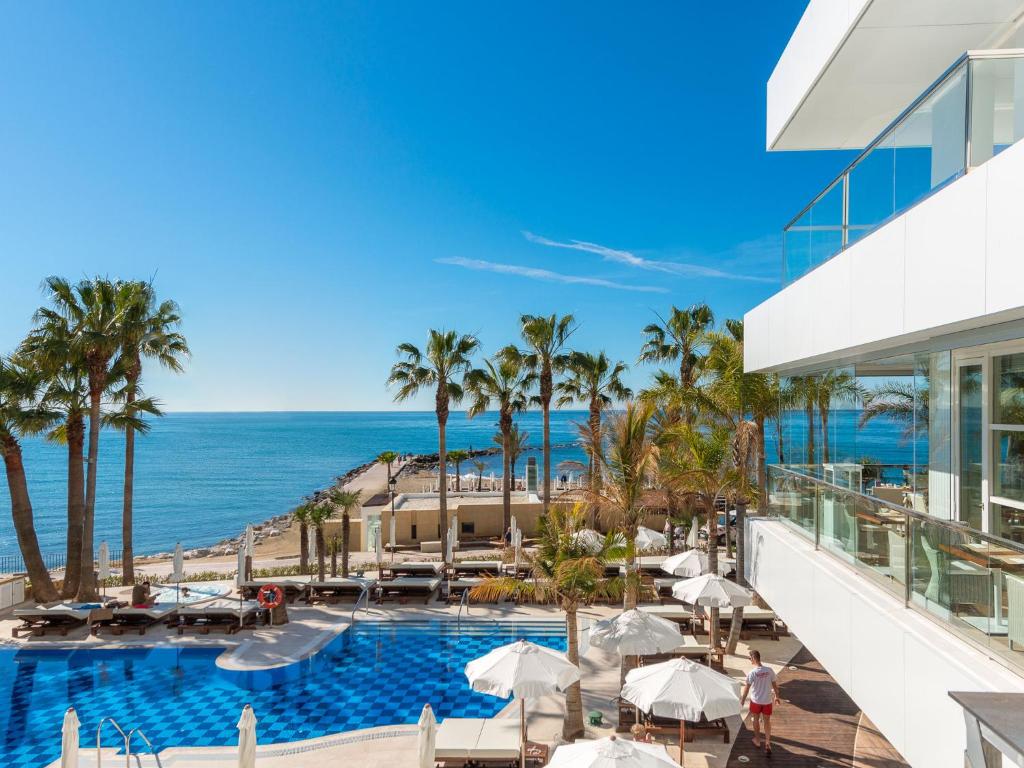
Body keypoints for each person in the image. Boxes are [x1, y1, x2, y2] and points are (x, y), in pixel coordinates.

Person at [739, 649, 780, 757]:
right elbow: (775, 685)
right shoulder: (769, 670)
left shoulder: (752, 673)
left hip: (756, 701)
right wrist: (777, 697)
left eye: (749, 658)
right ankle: (767, 742)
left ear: (753, 658)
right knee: (767, 721)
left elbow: (746, 688)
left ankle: (757, 740)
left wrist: (742, 701)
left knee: (756, 720)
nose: (750, 660)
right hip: (767, 701)